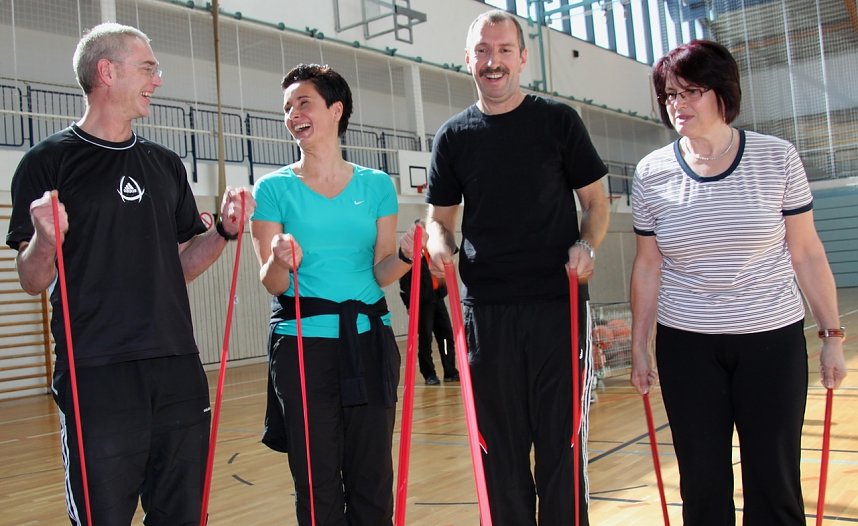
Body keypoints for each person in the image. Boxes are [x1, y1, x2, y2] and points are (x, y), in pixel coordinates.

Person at [5, 22, 254, 526]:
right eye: (147, 68)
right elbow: (32, 279)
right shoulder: (47, 163)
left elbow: (179, 266)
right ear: (107, 71)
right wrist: (47, 241)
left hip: (177, 368)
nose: (157, 80)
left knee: (182, 513)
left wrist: (224, 234)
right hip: (96, 372)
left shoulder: (165, 166)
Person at [629, 40, 848, 525]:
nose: (677, 104)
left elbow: (807, 253)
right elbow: (648, 265)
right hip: (687, 345)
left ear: (723, 93)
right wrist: (640, 344)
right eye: (669, 94)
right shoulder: (651, 173)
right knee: (702, 483)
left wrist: (832, 336)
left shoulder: (777, 158)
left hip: (771, 340)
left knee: (774, 480)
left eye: (691, 91)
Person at [424, 10, 610, 525]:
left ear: (523, 58)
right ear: (468, 59)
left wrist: (586, 246)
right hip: (486, 314)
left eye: (504, 50)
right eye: (483, 50)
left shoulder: (558, 121)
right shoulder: (454, 136)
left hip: (559, 306)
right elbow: (439, 219)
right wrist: (440, 246)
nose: (493, 61)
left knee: (561, 448)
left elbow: (596, 203)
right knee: (498, 456)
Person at [250, 64, 416, 526]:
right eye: (287, 107)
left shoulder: (377, 185)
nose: (293, 114)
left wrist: (405, 255)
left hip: (369, 340)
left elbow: (382, 271)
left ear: (336, 109)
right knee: (317, 478)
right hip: (303, 346)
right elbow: (273, 283)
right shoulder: (273, 188)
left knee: (373, 477)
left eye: (303, 102)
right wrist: (280, 259)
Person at [399, 219, 459, 385]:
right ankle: (429, 374)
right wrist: (409, 304)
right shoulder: (410, 252)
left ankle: (450, 371)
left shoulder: (435, 248)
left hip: (437, 299)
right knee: (425, 339)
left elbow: (452, 249)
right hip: (422, 302)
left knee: (446, 336)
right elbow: (404, 282)